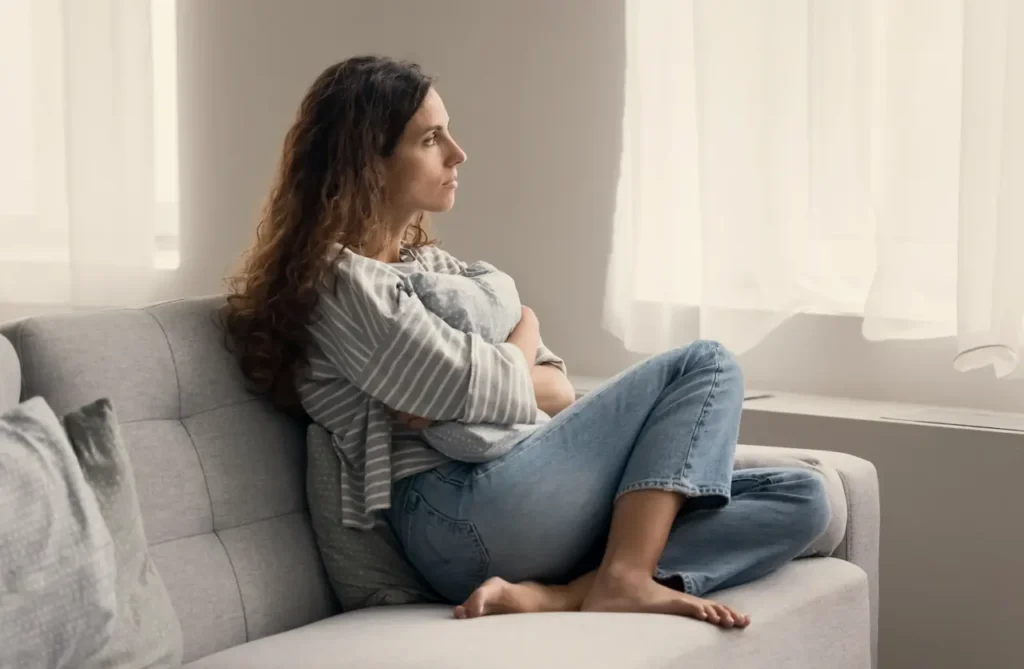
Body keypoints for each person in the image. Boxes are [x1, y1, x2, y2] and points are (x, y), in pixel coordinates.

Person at [221, 55, 832, 629]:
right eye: (430, 139)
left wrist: (504, 365)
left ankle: (569, 593)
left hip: (522, 494)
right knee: (708, 364)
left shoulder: (438, 269)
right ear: (366, 161)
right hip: (455, 511)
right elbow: (460, 386)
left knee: (803, 497)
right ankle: (622, 575)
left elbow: (558, 391)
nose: (458, 153)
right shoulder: (339, 281)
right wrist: (524, 337)